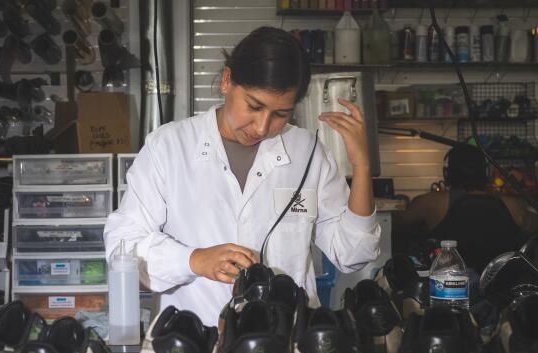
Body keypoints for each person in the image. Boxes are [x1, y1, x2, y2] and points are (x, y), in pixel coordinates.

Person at [104, 27, 381, 326]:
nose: (262, 127)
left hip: (287, 342)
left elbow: (352, 254)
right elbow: (123, 244)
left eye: (281, 114)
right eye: (254, 106)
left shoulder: (309, 153)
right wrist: (193, 260)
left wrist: (363, 167)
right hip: (196, 340)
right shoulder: (170, 146)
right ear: (227, 80)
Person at [392, 144, 538, 273]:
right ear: (486, 173)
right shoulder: (511, 204)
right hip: (498, 288)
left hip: (449, 285)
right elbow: (536, 226)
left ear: (447, 173)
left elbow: (395, 224)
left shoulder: (431, 202)